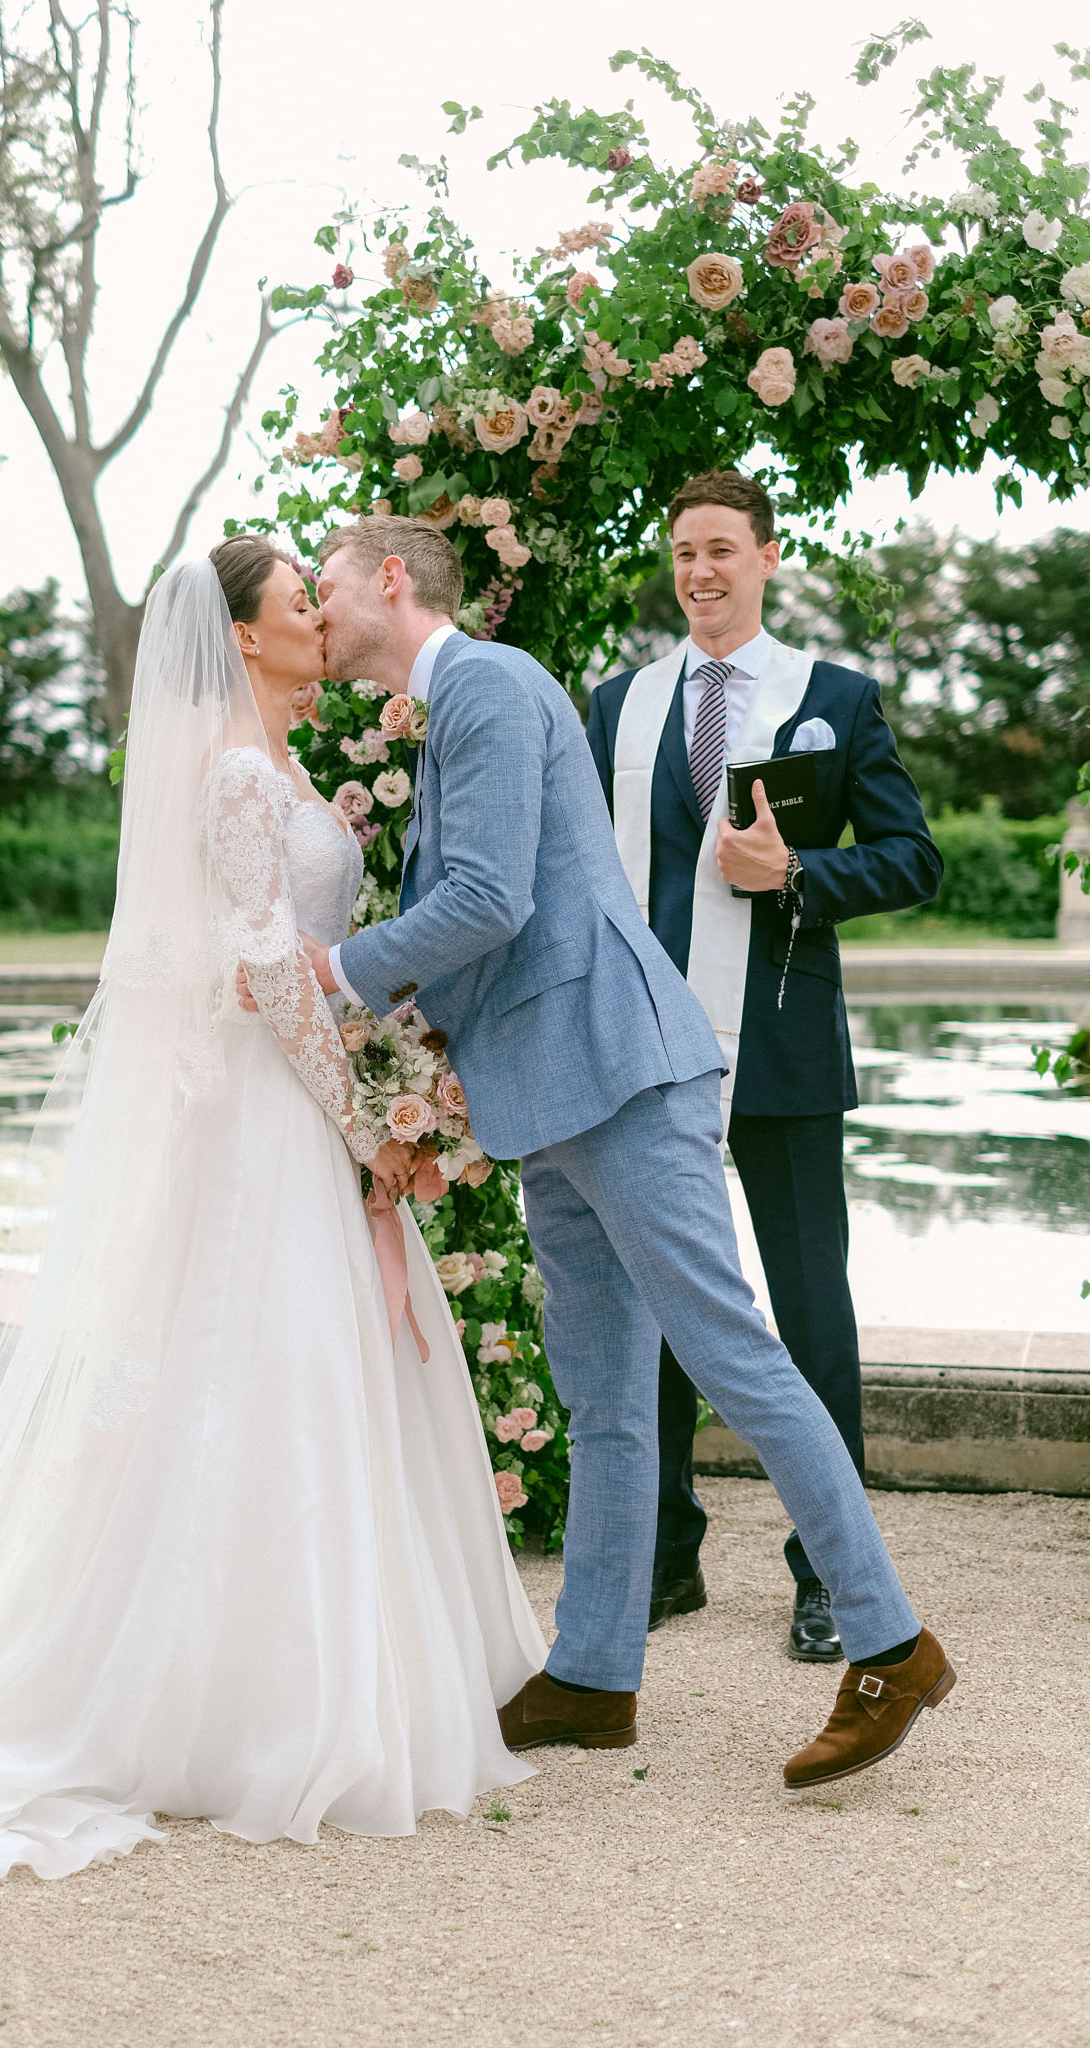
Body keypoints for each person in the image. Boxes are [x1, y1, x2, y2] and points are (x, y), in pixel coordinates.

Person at [0, 539, 547, 1883]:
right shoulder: (232, 775)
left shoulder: (275, 766)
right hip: (272, 1120)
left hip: (302, 1101)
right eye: (296, 603)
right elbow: (266, 973)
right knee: (264, 1372)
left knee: (310, 1379)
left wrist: (377, 1104)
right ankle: (231, 1701)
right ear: (242, 638)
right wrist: (368, 1126)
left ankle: (327, 1673)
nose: (316, 618)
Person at [301, 514, 955, 1786]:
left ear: (392, 579)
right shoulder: (464, 703)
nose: (318, 610)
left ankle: (889, 1642)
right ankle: (596, 1675)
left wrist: (332, 974)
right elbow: (496, 916)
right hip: (552, 1092)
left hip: (618, 1073)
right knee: (603, 1397)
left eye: (327, 585)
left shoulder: (486, 681)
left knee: (738, 1358)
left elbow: (486, 899)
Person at [585, 470, 943, 1662]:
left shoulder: (833, 697)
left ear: (768, 558)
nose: (700, 571)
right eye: (684, 549)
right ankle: (666, 1554)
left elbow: (912, 859)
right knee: (655, 1303)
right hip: (644, 1052)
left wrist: (797, 875)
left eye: (722, 549)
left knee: (809, 1312)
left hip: (782, 1052)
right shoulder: (619, 706)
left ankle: (826, 1575)